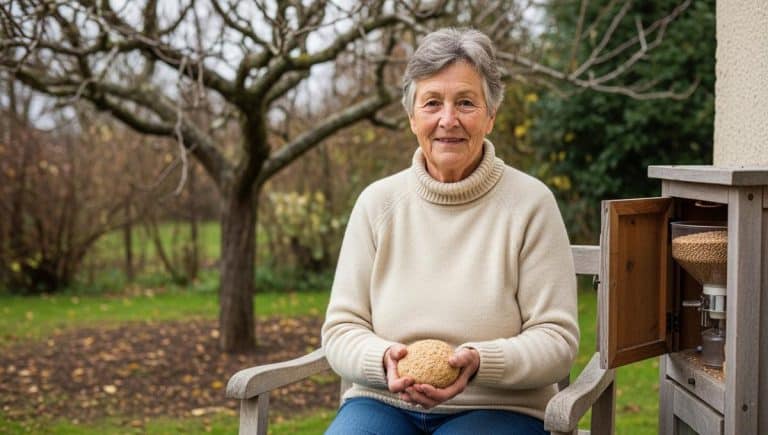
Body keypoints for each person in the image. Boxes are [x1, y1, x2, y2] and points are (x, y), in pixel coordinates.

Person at [321, 27, 579, 435]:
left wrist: (480, 362)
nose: (448, 120)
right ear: (411, 118)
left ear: (491, 115)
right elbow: (340, 330)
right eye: (432, 103)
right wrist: (384, 358)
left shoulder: (531, 204)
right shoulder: (378, 204)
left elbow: (557, 341)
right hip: (382, 402)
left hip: (500, 408)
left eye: (465, 103)